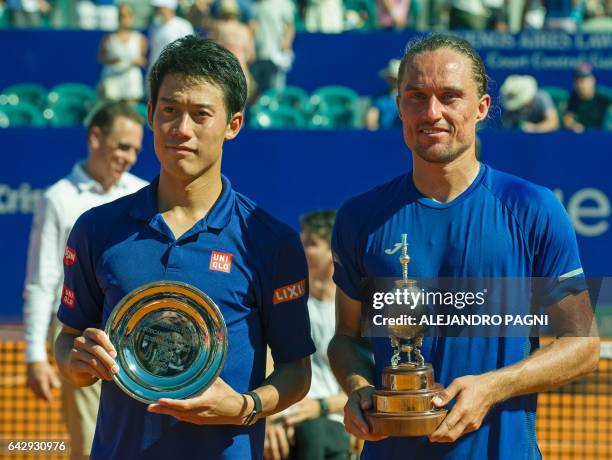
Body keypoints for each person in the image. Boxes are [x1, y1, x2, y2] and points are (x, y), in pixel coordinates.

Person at [328, 34, 599, 460]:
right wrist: (359, 388)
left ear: (482, 108)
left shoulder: (533, 208)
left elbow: (582, 346)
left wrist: (494, 387)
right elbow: (345, 339)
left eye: (450, 97)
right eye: (416, 96)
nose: (431, 113)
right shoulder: (359, 218)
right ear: (399, 106)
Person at [54, 36, 314, 459]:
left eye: (200, 115)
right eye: (169, 111)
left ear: (233, 124)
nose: (181, 129)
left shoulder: (271, 241)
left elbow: (295, 372)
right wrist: (77, 361)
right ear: (150, 115)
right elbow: (68, 340)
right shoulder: (97, 229)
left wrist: (244, 407)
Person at [23, 101, 146, 460]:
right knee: (93, 447)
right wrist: (35, 355)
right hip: (86, 341)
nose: (130, 157)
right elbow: (42, 280)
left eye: (136, 149)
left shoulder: (144, 194)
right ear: (95, 138)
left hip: (141, 342)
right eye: (123, 146)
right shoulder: (57, 199)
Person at [264, 210, 350, 460]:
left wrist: (319, 407)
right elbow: (270, 363)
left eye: (310, 244)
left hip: (333, 422)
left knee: (315, 432)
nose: (302, 252)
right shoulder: (289, 302)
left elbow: (366, 385)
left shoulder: (354, 311)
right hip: (288, 418)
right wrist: (269, 417)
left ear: (333, 252)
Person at [97, 3, 147, 102]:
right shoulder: (108, 38)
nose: (123, 19)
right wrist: (112, 60)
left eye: (126, 15)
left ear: (132, 17)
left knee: (131, 112)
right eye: (120, 16)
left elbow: (143, 60)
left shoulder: (140, 38)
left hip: (131, 82)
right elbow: (100, 58)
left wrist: (136, 62)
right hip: (112, 81)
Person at [147, 0, 194, 78]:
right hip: (156, 74)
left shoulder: (183, 25)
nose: (157, 10)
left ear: (169, 8)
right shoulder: (153, 27)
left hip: (177, 73)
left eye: (160, 7)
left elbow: (190, 50)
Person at [564, 62, 612, 132]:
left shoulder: (604, 96)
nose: (581, 84)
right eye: (578, 80)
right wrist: (573, 125)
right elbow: (568, 118)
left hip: (604, 136)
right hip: (584, 137)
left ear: (592, 80)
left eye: (584, 80)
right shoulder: (573, 98)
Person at [365, 59, 403, 131]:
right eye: (390, 78)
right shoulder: (379, 98)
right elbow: (371, 117)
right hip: (382, 137)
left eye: (395, 78)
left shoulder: (409, 97)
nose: (393, 81)